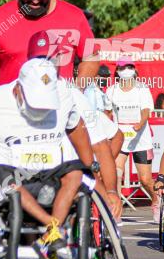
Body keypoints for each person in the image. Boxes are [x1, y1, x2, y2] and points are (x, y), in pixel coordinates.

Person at [0, 58, 104, 259]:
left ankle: (48, 237)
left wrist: (93, 170)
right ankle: (53, 227)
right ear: (18, 89)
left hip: (47, 177)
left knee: (76, 172)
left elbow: (75, 126)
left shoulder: (64, 95)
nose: (41, 110)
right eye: (36, 103)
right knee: (7, 178)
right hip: (8, 180)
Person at [27, 31, 122, 219]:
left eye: (50, 61)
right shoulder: (11, 92)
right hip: (27, 173)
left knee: (77, 178)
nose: (45, 67)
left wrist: (110, 192)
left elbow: (100, 148)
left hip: (65, 175)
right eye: (39, 60)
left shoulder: (74, 97)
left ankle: (60, 238)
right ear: (28, 61)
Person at [106, 57, 158, 220]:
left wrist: (140, 123)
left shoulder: (142, 89)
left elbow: (146, 110)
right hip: (120, 136)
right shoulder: (111, 90)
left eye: (129, 67)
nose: (126, 70)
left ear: (134, 70)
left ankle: (156, 199)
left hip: (140, 137)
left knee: (145, 179)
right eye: (123, 67)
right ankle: (117, 211)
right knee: (116, 173)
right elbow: (107, 112)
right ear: (117, 71)